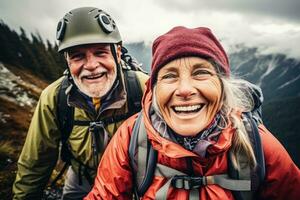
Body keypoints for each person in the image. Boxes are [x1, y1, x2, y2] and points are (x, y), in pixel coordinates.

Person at [85, 26, 300, 199]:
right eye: (169, 76)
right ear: (154, 88)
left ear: (222, 86)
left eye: (201, 73)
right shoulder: (132, 137)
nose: (185, 90)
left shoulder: (256, 142)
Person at [12, 7, 149, 200]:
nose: (91, 65)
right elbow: (35, 163)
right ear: (68, 61)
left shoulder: (144, 89)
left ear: (117, 53)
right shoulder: (54, 98)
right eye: (78, 56)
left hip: (133, 179)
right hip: (82, 180)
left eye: (101, 53)